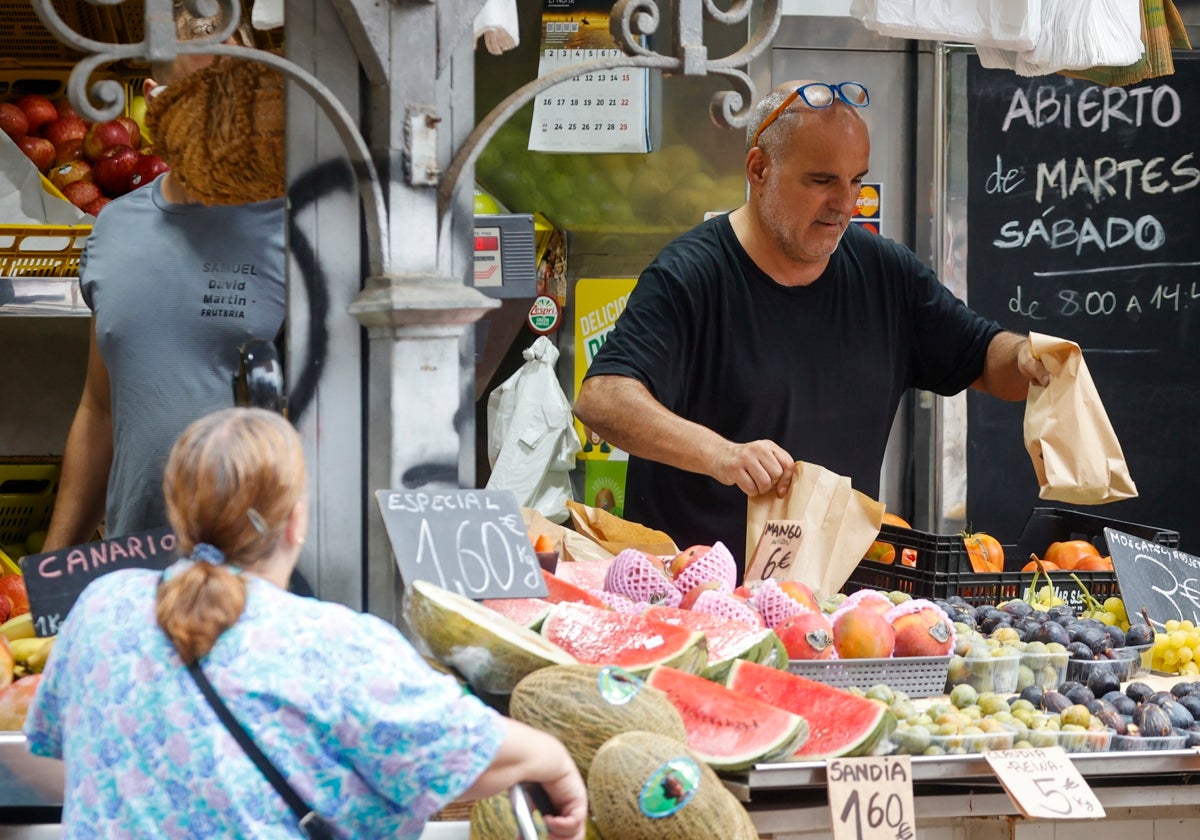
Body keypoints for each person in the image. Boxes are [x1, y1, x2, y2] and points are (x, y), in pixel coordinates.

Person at [25, 407, 588, 838]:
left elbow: (55, 750)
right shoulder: (334, 645)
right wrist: (557, 762)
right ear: (296, 521)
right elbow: (465, 750)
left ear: (178, 513)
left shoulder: (101, 608)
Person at [573, 79, 1050, 579]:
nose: (846, 203)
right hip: (696, 599)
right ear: (760, 169)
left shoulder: (886, 274)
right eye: (822, 180)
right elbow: (602, 398)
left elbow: (984, 357)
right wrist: (721, 454)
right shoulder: (690, 275)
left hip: (836, 603)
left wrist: (1026, 357)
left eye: (856, 180)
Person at [41, 7, 287, 555]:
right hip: (137, 566)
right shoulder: (116, 227)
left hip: (264, 577)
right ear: (157, 100)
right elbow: (99, 410)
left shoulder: (299, 230)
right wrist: (53, 569)